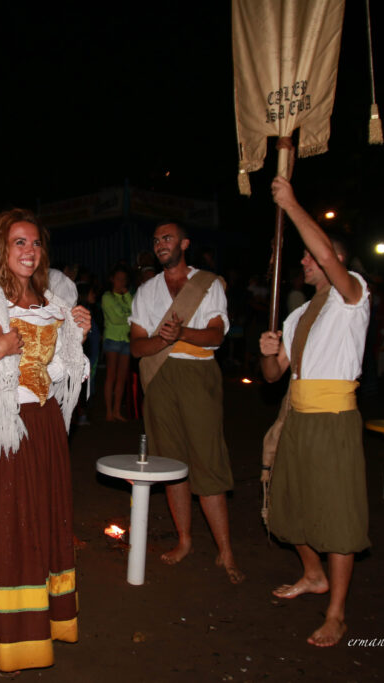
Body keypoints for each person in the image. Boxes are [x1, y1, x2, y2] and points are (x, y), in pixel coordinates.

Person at [0, 208, 90, 674]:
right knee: (8, 526)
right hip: (2, 432)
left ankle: (37, 624)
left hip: (43, 427)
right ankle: (3, 638)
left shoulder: (52, 300)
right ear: (0, 251)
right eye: (19, 243)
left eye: (34, 243)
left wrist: (76, 334)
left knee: (41, 523)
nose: (29, 251)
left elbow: (61, 372)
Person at [259, 176, 371, 647]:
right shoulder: (297, 314)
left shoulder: (353, 297)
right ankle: (313, 574)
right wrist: (267, 352)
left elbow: (324, 253)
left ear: (335, 260)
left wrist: (290, 202)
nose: (303, 260)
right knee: (287, 504)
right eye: (301, 255)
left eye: (309, 255)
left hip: (333, 420)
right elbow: (272, 376)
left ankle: (337, 613)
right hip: (299, 416)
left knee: (337, 516)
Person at [129, 222, 243, 584]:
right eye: (156, 239)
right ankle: (185, 540)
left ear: (184, 243)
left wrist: (181, 334)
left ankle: (225, 549)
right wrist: (164, 342)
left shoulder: (208, 284)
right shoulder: (146, 292)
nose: (161, 244)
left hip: (198, 375)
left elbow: (216, 335)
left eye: (167, 238)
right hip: (160, 379)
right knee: (171, 460)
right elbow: (136, 346)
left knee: (207, 459)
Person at [101, 264, 132, 421]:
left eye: (124, 280)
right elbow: (116, 318)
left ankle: (117, 411)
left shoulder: (126, 296)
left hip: (126, 339)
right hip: (112, 339)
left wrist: (126, 295)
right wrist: (129, 318)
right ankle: (108, 411)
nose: (122, 282)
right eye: (119, 279)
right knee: (111, 375)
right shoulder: (107, 296)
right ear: (112, 279)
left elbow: (136, 311)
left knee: (122, 377)